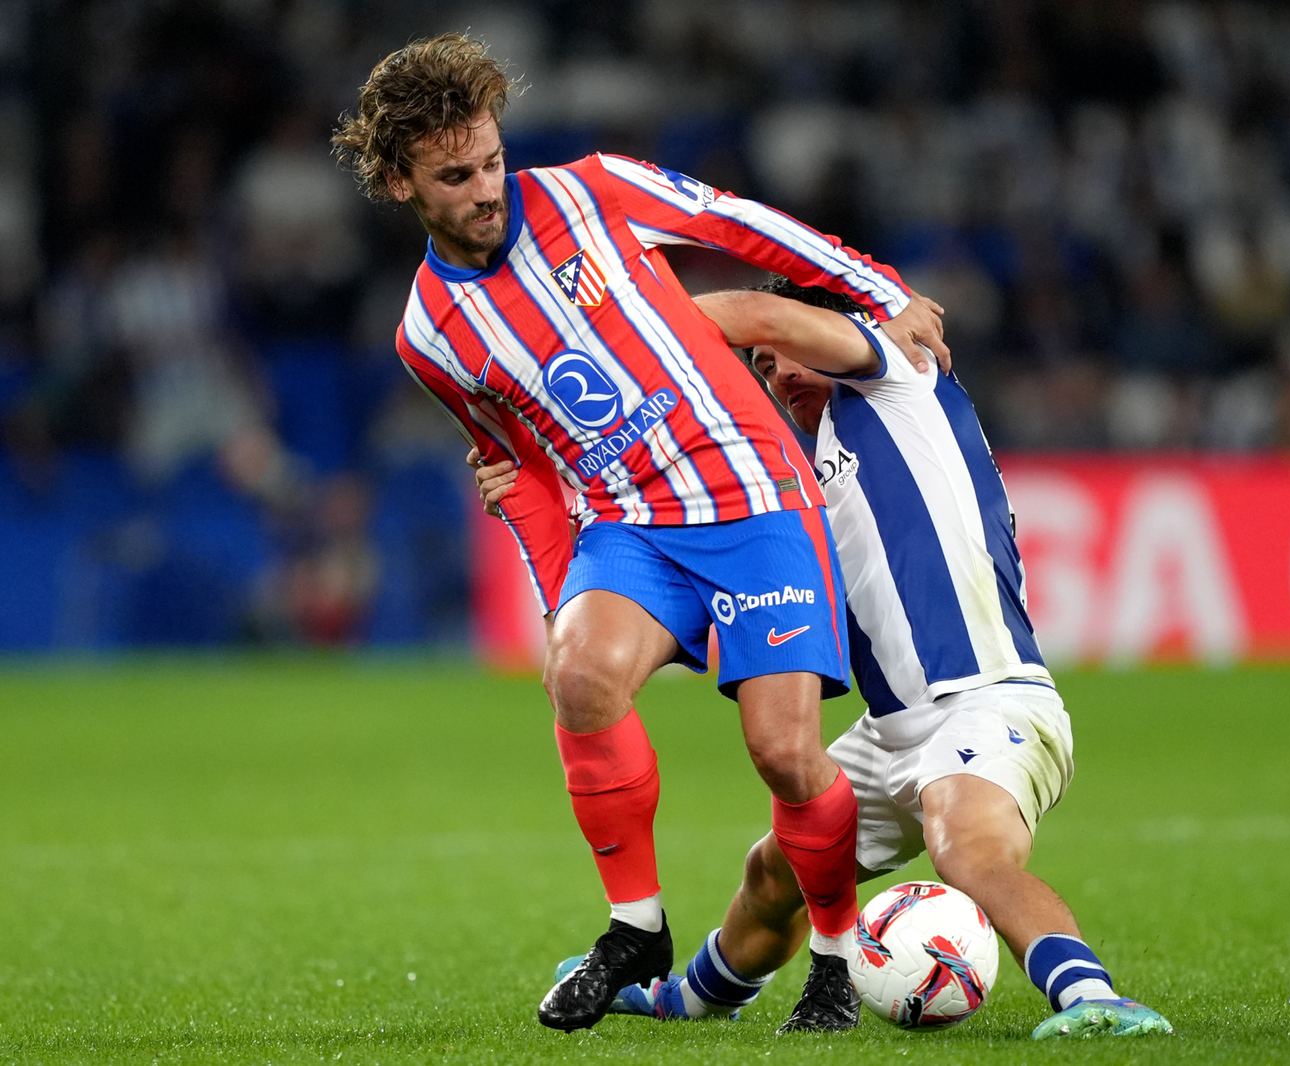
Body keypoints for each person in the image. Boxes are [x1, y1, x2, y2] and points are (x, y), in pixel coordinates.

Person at [331, 34, 949, 1034]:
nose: (487, 188)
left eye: (491, 159)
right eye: (456, 175)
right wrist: (560, 600)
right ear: (401, 183)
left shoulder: (592, 188)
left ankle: (834, 956)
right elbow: (517, 471)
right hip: (631, 523)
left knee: (786, 756)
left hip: (751, 494)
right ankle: (637, 928)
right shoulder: (429, 336)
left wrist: (877, 289)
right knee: (576, 677)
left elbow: (745, 227)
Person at [476, 278, 1173, 1039]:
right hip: (892, 730)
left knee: (966, 848)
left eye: (789, 356)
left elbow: (758, 314)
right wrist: (537, 480)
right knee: (774, 874)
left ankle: (1093, 999)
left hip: (989, 698)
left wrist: (604, 342)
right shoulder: (799, 486)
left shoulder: (898, 379)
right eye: (766, 368)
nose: (780, 376)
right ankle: (692, 996)